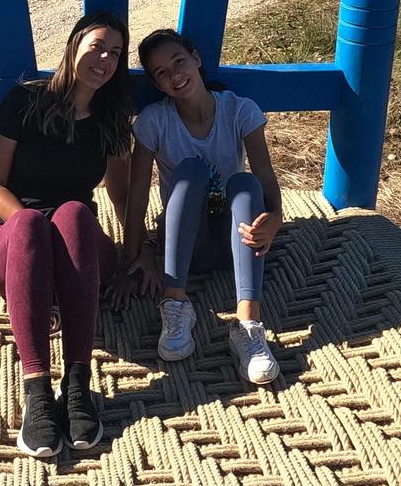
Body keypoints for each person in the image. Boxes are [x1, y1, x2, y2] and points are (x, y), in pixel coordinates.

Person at [0, 10, 135, 458]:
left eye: (115, 53)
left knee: (76, 212)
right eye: (97, 46)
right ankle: (38, 392)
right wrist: (32, 229)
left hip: (78, 243)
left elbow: (120, 199)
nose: (104, 59)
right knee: (29, 221)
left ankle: (79, 385)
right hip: (12, 241)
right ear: (73, 45)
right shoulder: (24, 102)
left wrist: (133, 255)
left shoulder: (110, 121)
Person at [121, 29, 284, 385]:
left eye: (179, 62)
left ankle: (247, 325)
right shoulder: (154, 121)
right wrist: (135, 255)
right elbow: (137, 197)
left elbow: (266, 179)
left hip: (235, 241)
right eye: (162, 73)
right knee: (191, 170)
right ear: (157, 84)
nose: (175, 75)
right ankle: (176, 303)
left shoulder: (239, 110)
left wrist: (275, 218)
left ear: (196, 59)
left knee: (244, 183)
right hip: (183, 244)